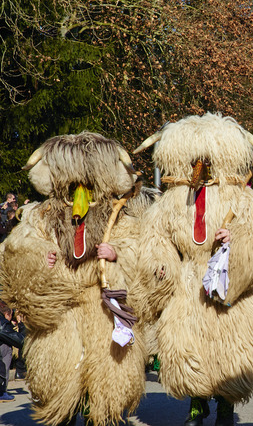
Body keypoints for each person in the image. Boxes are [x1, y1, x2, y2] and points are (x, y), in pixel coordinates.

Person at [0, 132, 153, 426]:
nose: (80, 190)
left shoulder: (119, 218)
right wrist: (41, 261)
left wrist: (117, 255)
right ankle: (68, 410)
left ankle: (96, 411)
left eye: (88, 183)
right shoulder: (41, 216)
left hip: (102, 309)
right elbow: (17, 251)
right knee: (61, 375)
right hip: (63, 311)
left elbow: (141, 252)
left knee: (104, 378)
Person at [134, 113, 253, 426]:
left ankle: (224, 409)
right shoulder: (171, 201)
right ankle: (196, 407)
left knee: (229, 350)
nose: (201, 163)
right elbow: (156, 239)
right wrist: (160, 267)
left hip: (229, 288)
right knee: (187, 347)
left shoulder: (246, 200)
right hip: (189, 284)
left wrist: (236, 241)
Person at [0, 301, 24, 402]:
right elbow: (20, 341)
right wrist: (21, 324)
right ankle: (1, 392)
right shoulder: (2, 323)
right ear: (7, 314)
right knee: (5, 347)